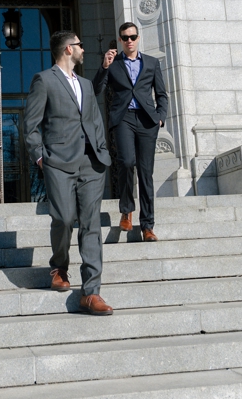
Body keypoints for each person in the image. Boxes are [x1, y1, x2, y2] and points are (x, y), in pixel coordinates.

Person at [23, 30, 113, 315]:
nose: (84, 50)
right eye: (80, 45)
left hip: (92, 164)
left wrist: (102, 152)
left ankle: (91, 293)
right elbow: (30, 125)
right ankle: (59, 266)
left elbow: (95, 121)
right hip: (58, 162)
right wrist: (40, 158)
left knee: (91, 226)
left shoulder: (86, 84)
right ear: (67, 50)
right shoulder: (44, 80)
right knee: (63, 218)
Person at [94, 21, 168, 241]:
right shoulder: (113, 63)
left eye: (132, 37)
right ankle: (126, 210)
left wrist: (160, 118)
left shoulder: (152, 63)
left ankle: (147, 226)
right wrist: (104, 66)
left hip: (147, 121)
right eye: (125, 38)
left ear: (138, 38)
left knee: (146, 173)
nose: (129, 41)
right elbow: (97, 89)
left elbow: (162, 94)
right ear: (120, 40)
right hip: (123, 118)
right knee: (126, 162)